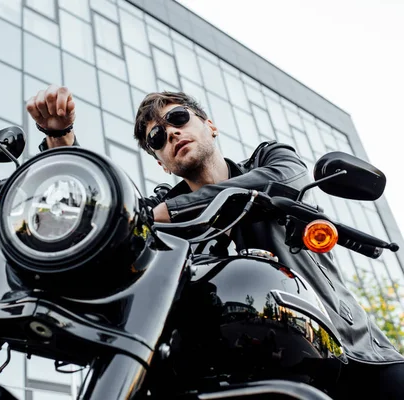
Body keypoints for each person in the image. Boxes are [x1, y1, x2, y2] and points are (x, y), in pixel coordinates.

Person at [26, 84, 404, 399]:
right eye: (156, 137)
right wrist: (61, 140)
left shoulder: (269, 159)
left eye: (177, 118)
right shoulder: (157, 211)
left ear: (210, 125)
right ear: (161, 162)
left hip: (344, 345)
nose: (170, 132)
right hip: (224, 364)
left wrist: (169, 212)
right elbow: (106, 224)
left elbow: (284, 178)